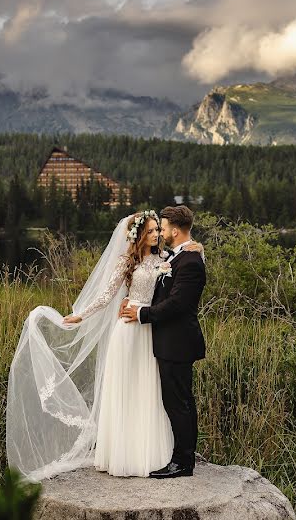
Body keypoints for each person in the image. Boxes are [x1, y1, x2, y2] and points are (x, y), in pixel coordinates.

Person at [5, 210, 203, 480]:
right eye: (152, 231)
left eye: (160, 230)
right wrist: (81, 314)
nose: (157, 235)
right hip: (128, 330)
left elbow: (179, 280)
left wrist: (198, 246)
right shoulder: (127, 262)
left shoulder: (167, 258)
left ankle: (155, 454)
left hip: (150, 332)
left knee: (152, 392)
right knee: (125, 389)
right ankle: (123, 454)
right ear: (139, 235)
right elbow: (106, 296)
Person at [120, 205, 207, 478]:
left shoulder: (190, 261)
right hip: (171, 341)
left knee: (178, 402)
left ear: (175, 230)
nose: (161, 232)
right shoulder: (181, 255)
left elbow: (178, 304)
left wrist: (142, 313)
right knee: (180, 401)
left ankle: (182, 463)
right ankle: (184, 457)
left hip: (178, 342)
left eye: (164, 227)